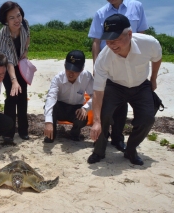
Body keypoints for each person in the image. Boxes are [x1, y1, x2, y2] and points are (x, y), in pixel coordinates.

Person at [87, 14, 162, 165]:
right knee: (104, 115)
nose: (112, 45)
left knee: (147, 118)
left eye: (115, 39)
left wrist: (153, 78)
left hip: (141, 85)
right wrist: (96, 122)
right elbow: (98, 92)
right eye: (108, 40)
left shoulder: (149, 43)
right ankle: (99, 151)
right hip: (115, 86)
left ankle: (131, 150)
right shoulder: (103, 58)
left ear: (129, 34)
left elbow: (157, 58)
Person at [88, 0, 148, 152]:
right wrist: (96, 65)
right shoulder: (100, 13)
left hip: (130, 61)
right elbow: (96, 41)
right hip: (108, 63)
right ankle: (100, 141)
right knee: (107, 104)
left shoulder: (136, 6)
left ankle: (117, 139)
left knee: (122, 106)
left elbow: (141, 35)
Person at [0, 1, 30, 143]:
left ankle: (23, 131)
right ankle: (8, 132)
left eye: (18, 15)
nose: (17, 20)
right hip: (6, 65)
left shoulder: (25, 24)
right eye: (12, 18)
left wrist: (26, 51)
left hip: (20, 63)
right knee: (12, 97)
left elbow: (28, 37)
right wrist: (14, 80)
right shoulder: (3, 35)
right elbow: (9, 60)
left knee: (23, 97)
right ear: (5, 20)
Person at [44, 50, 94, 143]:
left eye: (75, 71)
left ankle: (75, 132)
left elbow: (95, 96)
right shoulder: (58, 78)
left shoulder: (87, 77)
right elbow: (50, 98)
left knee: (82, 117)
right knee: (51, 108)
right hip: (60, 107)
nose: (71, 74)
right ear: (64, 65)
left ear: (82, 68)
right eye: (68, 69)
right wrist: (48, 122)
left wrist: (85, 108)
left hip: (76, 109)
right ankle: (51, 133)